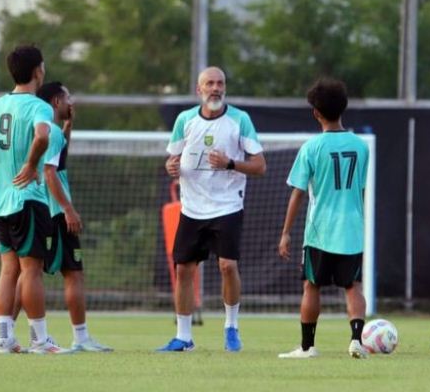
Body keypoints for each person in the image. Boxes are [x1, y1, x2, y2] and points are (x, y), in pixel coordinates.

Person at [0, 44, 70, 355]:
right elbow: (42, 136)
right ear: (38, 71)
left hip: (1, 201)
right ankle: (40, 339)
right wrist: (29, 164)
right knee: (31, 270)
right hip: (28, 199)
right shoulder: (39, 107)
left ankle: (4, 338)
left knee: (8, 270)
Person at [158, 66, 266, 352]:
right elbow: (173, 159)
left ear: (225, 88)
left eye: (220, 83)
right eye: (209, 83)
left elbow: (260, 166)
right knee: (183, 270)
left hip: (227, 205)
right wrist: (170, 166)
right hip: (192, 208)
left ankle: (231, 327)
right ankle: (184, 336)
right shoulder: (185, 120)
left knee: (227, 266)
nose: (215, 88)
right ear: (199, 89)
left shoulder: (240, 120)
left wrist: (230, 163)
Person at [10, 81, 112, 352]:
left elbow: (57, 157)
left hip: (42, 209)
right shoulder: (50, 133)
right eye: (68, 97)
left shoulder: (50, 132)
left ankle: (6, 331)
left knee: (28, 273)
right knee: (73, 274)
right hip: (56, 212)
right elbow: (49, 173)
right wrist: (68, 209)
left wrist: (69, 126)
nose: (72, 103)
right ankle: (80, 338)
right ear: (56, 102)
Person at [277, 78, 370, 359]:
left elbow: (298, 193)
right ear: (343, 108)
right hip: (352, 228)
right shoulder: (361, 146)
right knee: (353, 286)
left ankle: (307, 347)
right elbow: (360, 190)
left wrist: (285, 232)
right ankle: (356, 340)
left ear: (316, 113)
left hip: (321, 230)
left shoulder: (311, 148)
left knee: (312, 285)